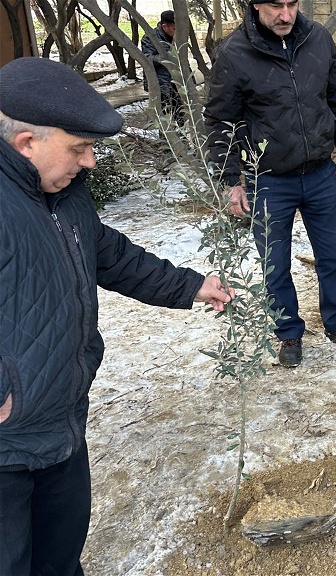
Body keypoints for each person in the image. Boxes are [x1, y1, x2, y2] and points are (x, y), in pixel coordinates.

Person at [0, 57, 233, 575]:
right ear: (27, 143)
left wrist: (191, 286)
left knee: (60, 558)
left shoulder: (63, 194)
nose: (90, 163)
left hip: (62, 420)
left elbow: (108, 253)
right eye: (78, 149)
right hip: (6, 446)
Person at [204, 0, 336, 368]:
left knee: (332, 257)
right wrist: (231, 180)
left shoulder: (319, 39)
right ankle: (288, 333)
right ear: (255, 5)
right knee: (274, 264)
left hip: (319, 174)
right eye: (275, 6)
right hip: (267, 181)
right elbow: (219, 121)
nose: (285, 15)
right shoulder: (234, 53)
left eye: (292, 4)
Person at [141, 10, 184, 123]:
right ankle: (165, 139)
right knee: (164, 118)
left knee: (180, 115)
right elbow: (147, 59)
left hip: (177, 83)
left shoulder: (177, 37)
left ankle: (182, 139)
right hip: (161, 84)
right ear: (164, 26)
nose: (176, 32)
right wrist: (166, 57)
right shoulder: (150, 38)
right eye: (174, 29)